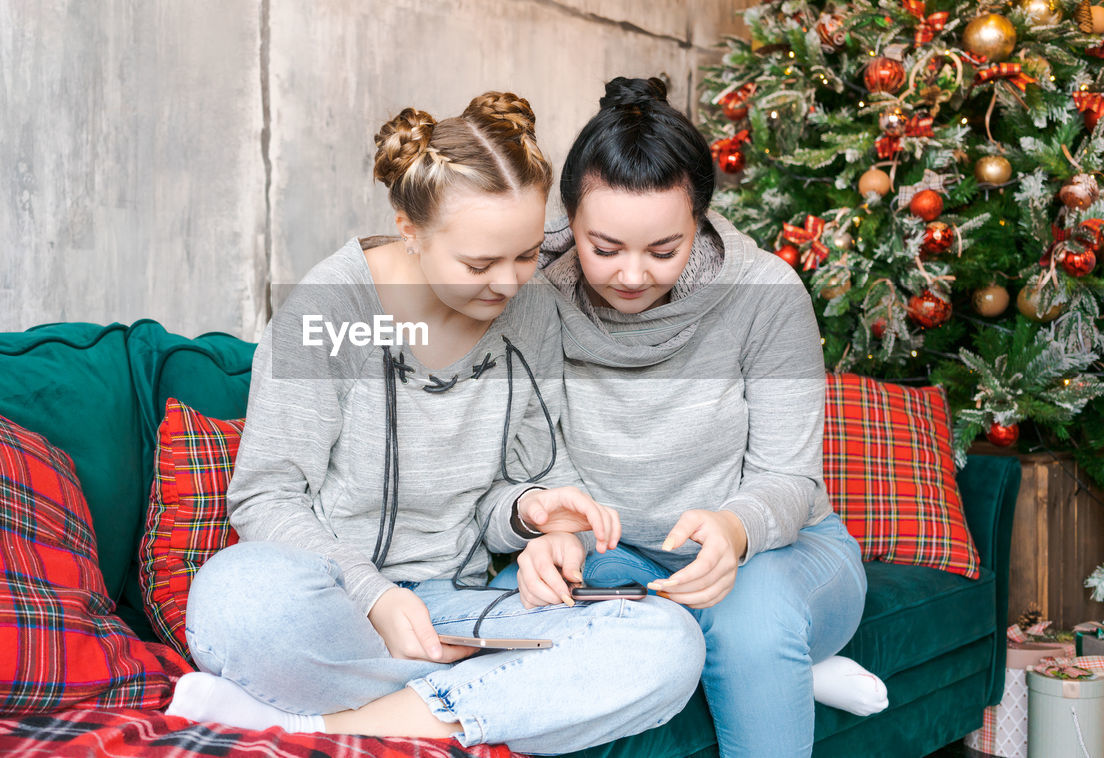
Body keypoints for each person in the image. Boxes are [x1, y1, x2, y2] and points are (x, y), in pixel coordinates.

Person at [167, 91, 706, 755]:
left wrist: (540, 513)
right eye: (479, 264)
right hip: (341, 608)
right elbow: (267, 496)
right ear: (410, 230)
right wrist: (374, 599)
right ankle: (500, 693)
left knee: (668, 644)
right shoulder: (330, 309)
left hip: (459, 606)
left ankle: (329, 724)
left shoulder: (530, 313)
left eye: (528, 254)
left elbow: (516, 484)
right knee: (239, 597)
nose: (507, 285)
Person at [502, 77, 886, 757]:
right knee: (522, 607)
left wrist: (734, 529)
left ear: (701, 220)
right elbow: (538, 456)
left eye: (663, 250)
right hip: (611, 556)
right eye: (605, 247)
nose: (630, 276)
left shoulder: (764, 293)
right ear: (570, 219)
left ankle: (769, 656)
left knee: (749, 621)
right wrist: (556, 529)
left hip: (777, 550)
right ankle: (782, 672)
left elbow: (788, 478)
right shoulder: (532, 293)